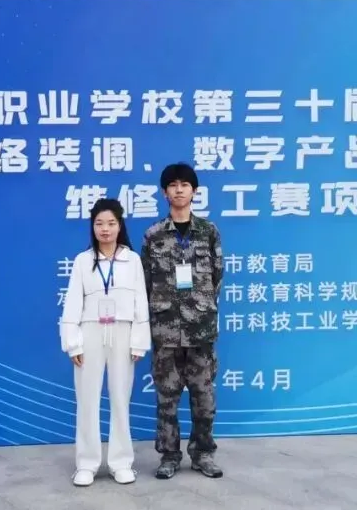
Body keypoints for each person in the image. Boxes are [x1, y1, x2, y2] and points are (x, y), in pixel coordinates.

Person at [59, 198, 152, 487]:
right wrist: (73, 343)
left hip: (123, 333)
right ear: (93, 227)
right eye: (99, 223)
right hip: (90, 332)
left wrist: (139, 341)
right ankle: (86, 464)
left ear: (120, 225)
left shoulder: (132, 260)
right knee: (87, 399)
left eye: (111, 223)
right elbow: (72, 304)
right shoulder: (83, 261)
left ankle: (120, 462)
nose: (105, 229)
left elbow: (141, 302)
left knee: (121, 399)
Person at [140, 163, 225, 480]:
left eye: (185, 185)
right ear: (164, 192)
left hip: (201, 331)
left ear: (194, 191)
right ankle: (169, 456)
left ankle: (203, 454)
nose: (179, 190)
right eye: (173, 185)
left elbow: (217, 277)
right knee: (167, 399)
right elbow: (145, 282)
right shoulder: (153, 235)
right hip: (166, 331)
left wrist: (200, 307)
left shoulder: (209, 232)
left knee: (204, 398)